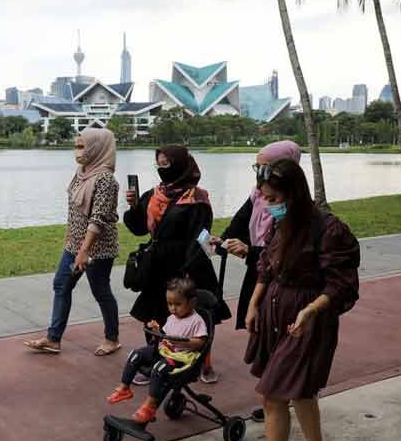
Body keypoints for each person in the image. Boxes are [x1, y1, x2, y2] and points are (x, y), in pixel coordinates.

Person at [237, 159, 360, 441]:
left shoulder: (329, 229)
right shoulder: (281, 224)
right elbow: (266, 266)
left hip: (306, 321)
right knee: (300, 391)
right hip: (275, 314)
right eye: (264, 197)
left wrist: (310, 311)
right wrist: (254, 303)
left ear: (294, 193)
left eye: (274, 197)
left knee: (274, 395)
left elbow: (341, 284)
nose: (268, 203)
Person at [124, 145, 230, 384]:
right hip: (156, 265)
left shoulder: (197, 198)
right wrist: (133, 207)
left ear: (181, 164)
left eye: (167, 164)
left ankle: (203, 362)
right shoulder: (153, 194)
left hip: (187, 265)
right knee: (154, 313)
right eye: (158, 165)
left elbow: (198, 236)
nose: (162, 170)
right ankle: (156, 361)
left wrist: (186, 273)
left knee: (195, 315)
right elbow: (140, 228)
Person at [25, 128, 121, 356]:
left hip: (97, 249)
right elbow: (74, 210)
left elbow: (97, 219)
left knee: (100, 290)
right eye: (76, 146)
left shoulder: (105, 179)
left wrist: (84, 251)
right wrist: (70, 240)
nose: (77, 151)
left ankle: (112, 338)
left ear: (97, 148)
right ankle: (53, 339)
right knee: (61, 284)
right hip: (75, 245)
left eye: (82, 146)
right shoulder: (81, 173)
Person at [211, 140, 302, 331]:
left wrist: (249, 251)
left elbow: (287, 251)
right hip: (258, 271)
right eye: (257, 168)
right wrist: (223, 241)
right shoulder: (258, 194)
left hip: (282, 281)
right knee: (257, 328)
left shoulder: (296, 207)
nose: (260, 175)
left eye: (265, 168)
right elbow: (240, 221)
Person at [106, 277, 208, 423]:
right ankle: (124, 388)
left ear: (191, 303)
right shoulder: (173, 317)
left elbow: (200, 342)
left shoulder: (196, 321)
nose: (173, 308)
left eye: (178, 304)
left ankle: (149, 406)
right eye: (170, 304)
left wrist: (184, 342)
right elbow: (165, 336)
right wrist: (157, 330)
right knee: (135, 354)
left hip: (180, 357)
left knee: (158, 368)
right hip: (165, 351)